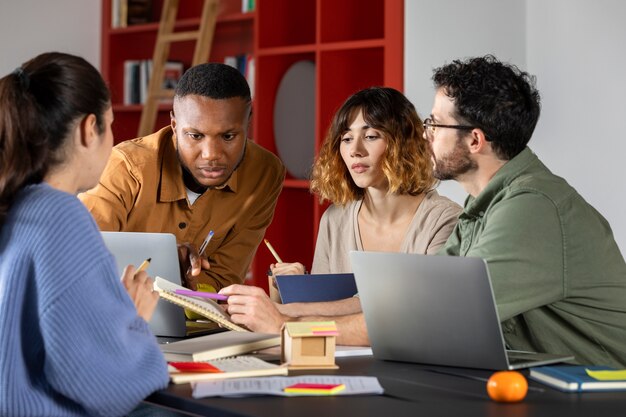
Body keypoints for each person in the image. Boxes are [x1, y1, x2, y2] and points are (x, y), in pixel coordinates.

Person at [425, 55, 626, 367]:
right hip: (542, 386)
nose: (426, 134)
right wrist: (322, 312)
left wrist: (325, 328)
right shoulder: (485, 205)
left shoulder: (532, 206)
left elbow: (443, 314)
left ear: (475, 140)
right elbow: (425, 292)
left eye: (435, 124)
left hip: (602, 396)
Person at [220, 87, 461, 344]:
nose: (355, 150)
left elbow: (407, 316)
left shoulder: (444, 221)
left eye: (371, 136)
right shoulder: (334, 219)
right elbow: (325, 311)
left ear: (404, 143)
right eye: (346, 139)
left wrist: (283, 315)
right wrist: (292, 289)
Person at [0, 53, 168, 416]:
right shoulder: (60, 215)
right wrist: (132, 319)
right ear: (88, 129)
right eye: (110, 126)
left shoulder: (13, 204)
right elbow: (107, 382)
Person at [80, 63, 285, 293]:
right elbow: (80, 259)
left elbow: (223, 283)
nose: (211, 155)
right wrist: (162, 261)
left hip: (200, 324)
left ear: (248, 123)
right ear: (174, 125)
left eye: (228, 136)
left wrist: (185, 279)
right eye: (195, 135)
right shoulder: (125, 167)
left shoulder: (265, 174)